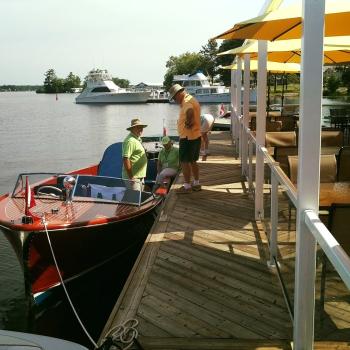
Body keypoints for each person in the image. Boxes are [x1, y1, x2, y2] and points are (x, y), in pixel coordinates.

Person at [168, 83, 201, 193]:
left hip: (187, 137)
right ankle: (196, 183)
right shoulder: (190, 99)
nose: (174, 100)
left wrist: (188, 123)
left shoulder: (186, 101)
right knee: (193, 160)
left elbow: (190, 111)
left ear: (179, 93)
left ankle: (187, 186)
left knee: (184, 161)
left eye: (174, 97)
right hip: (195, 136)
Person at [122, 118, 148, 190]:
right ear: (132, 129)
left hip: (139, 176)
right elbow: (126, 159)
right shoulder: (130, 141)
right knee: (135, 199)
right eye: (138, 127)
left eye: (141, 127)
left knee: (138, 198)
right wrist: (131, 177)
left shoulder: (137, 139)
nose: (141, 129)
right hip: (133, 178)